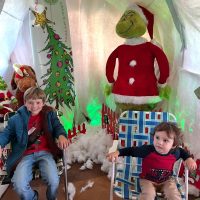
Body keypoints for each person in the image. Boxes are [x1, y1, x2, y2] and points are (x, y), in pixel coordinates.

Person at [0, 86, 69, 200]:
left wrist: (61, 135)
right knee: (19, 185)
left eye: (38, 102)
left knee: (54, 181)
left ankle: (51, 198)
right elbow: (6, 134)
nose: (34, 106)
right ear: (25, 102)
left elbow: (57, 127)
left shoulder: (49, 114)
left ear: (43, 103)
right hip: (24, 155)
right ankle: (32, 197)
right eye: (30, 103)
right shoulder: (16, 119)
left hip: (45, 153)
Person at [107, 122, 197, 200]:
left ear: (173, 145)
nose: (159, 142)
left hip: (167, 180)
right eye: (157, 137)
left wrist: (188, 158)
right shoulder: (147, 150)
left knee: (174, 195)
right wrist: (118, 152)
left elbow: (182, 152)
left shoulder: (175, 153)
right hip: (147, 180)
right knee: (148, 195)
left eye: (165, 140)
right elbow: (131, 150)